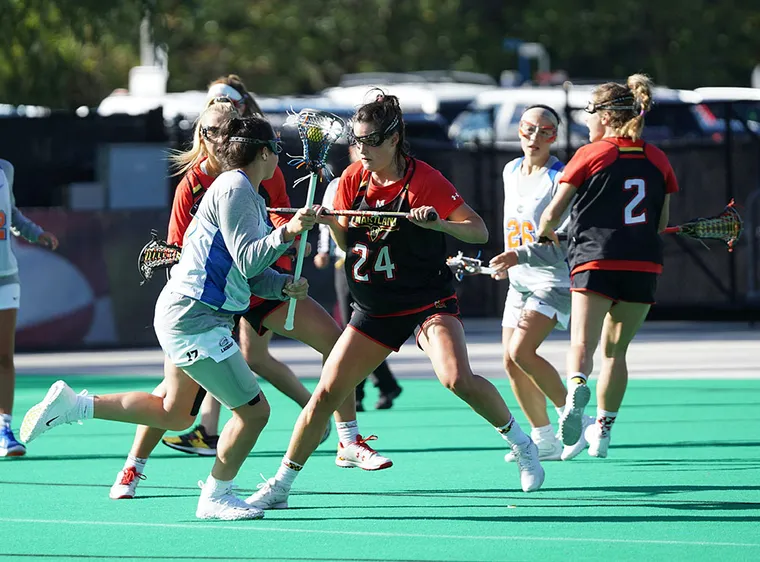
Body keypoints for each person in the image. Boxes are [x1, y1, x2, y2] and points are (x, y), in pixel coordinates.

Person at [247, 92, 544, 513]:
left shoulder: (425, 179)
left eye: (371, 141)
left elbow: (477, 231)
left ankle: (522, 444)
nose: (363, 150)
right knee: (327, 393)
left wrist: (437, 222)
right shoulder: (352, 179)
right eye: (358, 141)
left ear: (395, 138)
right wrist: (330, 223)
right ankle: (281, 484)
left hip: (427, 302)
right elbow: (348, 241)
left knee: (456, 378)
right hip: (374, 308)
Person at [20, 115, 317, 520]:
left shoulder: (245, 192)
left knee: (176, 413)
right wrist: (287, 233)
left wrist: (282, 285)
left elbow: (247, 271)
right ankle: (216, 495)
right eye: (276, 153)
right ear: (264, 153)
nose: (278, 161)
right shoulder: (236, 189)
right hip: (197, 318)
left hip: (189, 313)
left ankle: (75, 405)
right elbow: (249, 258)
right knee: (254, 412)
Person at [161, 77, 321, 456]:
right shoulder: (216, 183)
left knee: (252, 371)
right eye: (208, 129)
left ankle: (340, 430)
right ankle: (136, 466)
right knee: (180, 406)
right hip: (201, 303)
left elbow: (274, 229)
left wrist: (285, 271)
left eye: (223, 128)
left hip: (242, 289)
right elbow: (187, 246)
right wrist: (288, 235)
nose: (215, 136)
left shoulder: (258, 177)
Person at [537, 74, 678, 459]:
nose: (586, 121)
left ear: (605, 116)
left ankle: (576, 389)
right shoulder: (657, 157)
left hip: (595, 259)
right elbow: (661, 224)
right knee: (617, 352)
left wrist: (546, 232)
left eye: (588, 113)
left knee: (583, 343)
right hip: (644, 264)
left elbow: (552, 214)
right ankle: (603, 429)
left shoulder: (590, 153)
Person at [488, 105, 592, 463]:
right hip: (519, 281)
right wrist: (509, 262)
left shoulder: (560, 178)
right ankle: (544, 438)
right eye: (528, 128)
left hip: (554, 280)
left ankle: (575, 418)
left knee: (522, 351)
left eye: (544, 131)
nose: (534, 137)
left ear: (554, 137)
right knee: (510, 362)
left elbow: (562, 240)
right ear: (518, 130)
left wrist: (518, 256)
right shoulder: (510, 170)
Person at [314, 143, 403, 412]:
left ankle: (365, 389)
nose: (363, 152)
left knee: (363, 330)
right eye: (357, 147)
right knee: (354, 329)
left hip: (373, 264)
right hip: (346, 263)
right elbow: (330, 222)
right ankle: (378, 386)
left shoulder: (384, 183)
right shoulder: (338, 184)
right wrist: (323, 251)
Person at [0, 159, 58, 457]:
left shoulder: (5, 169)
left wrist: (36, 233)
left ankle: (4, 428)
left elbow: (12, 215)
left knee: (4, 356)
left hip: (5, 277)